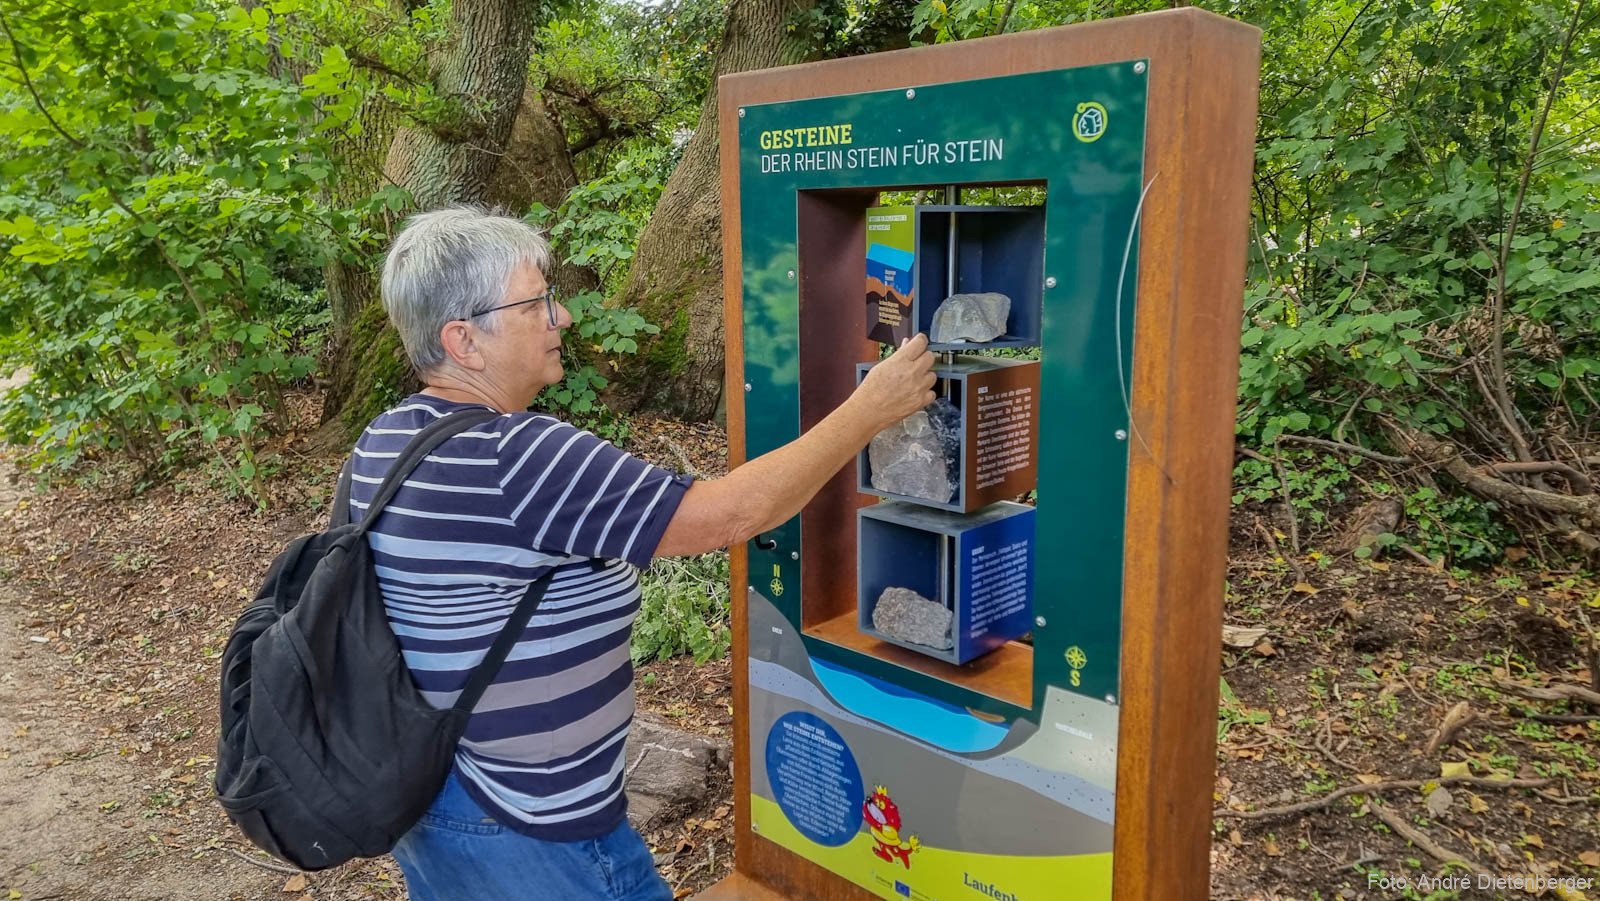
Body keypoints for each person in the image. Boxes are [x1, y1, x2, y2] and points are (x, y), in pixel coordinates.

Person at [350, 205, 934, 900]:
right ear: (464, 340)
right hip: (529, 829)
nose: (561, 317)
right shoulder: (519, 455)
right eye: (537, 301)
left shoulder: (385, 440)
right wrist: (871, 408)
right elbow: (731, 515)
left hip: (438, 801)